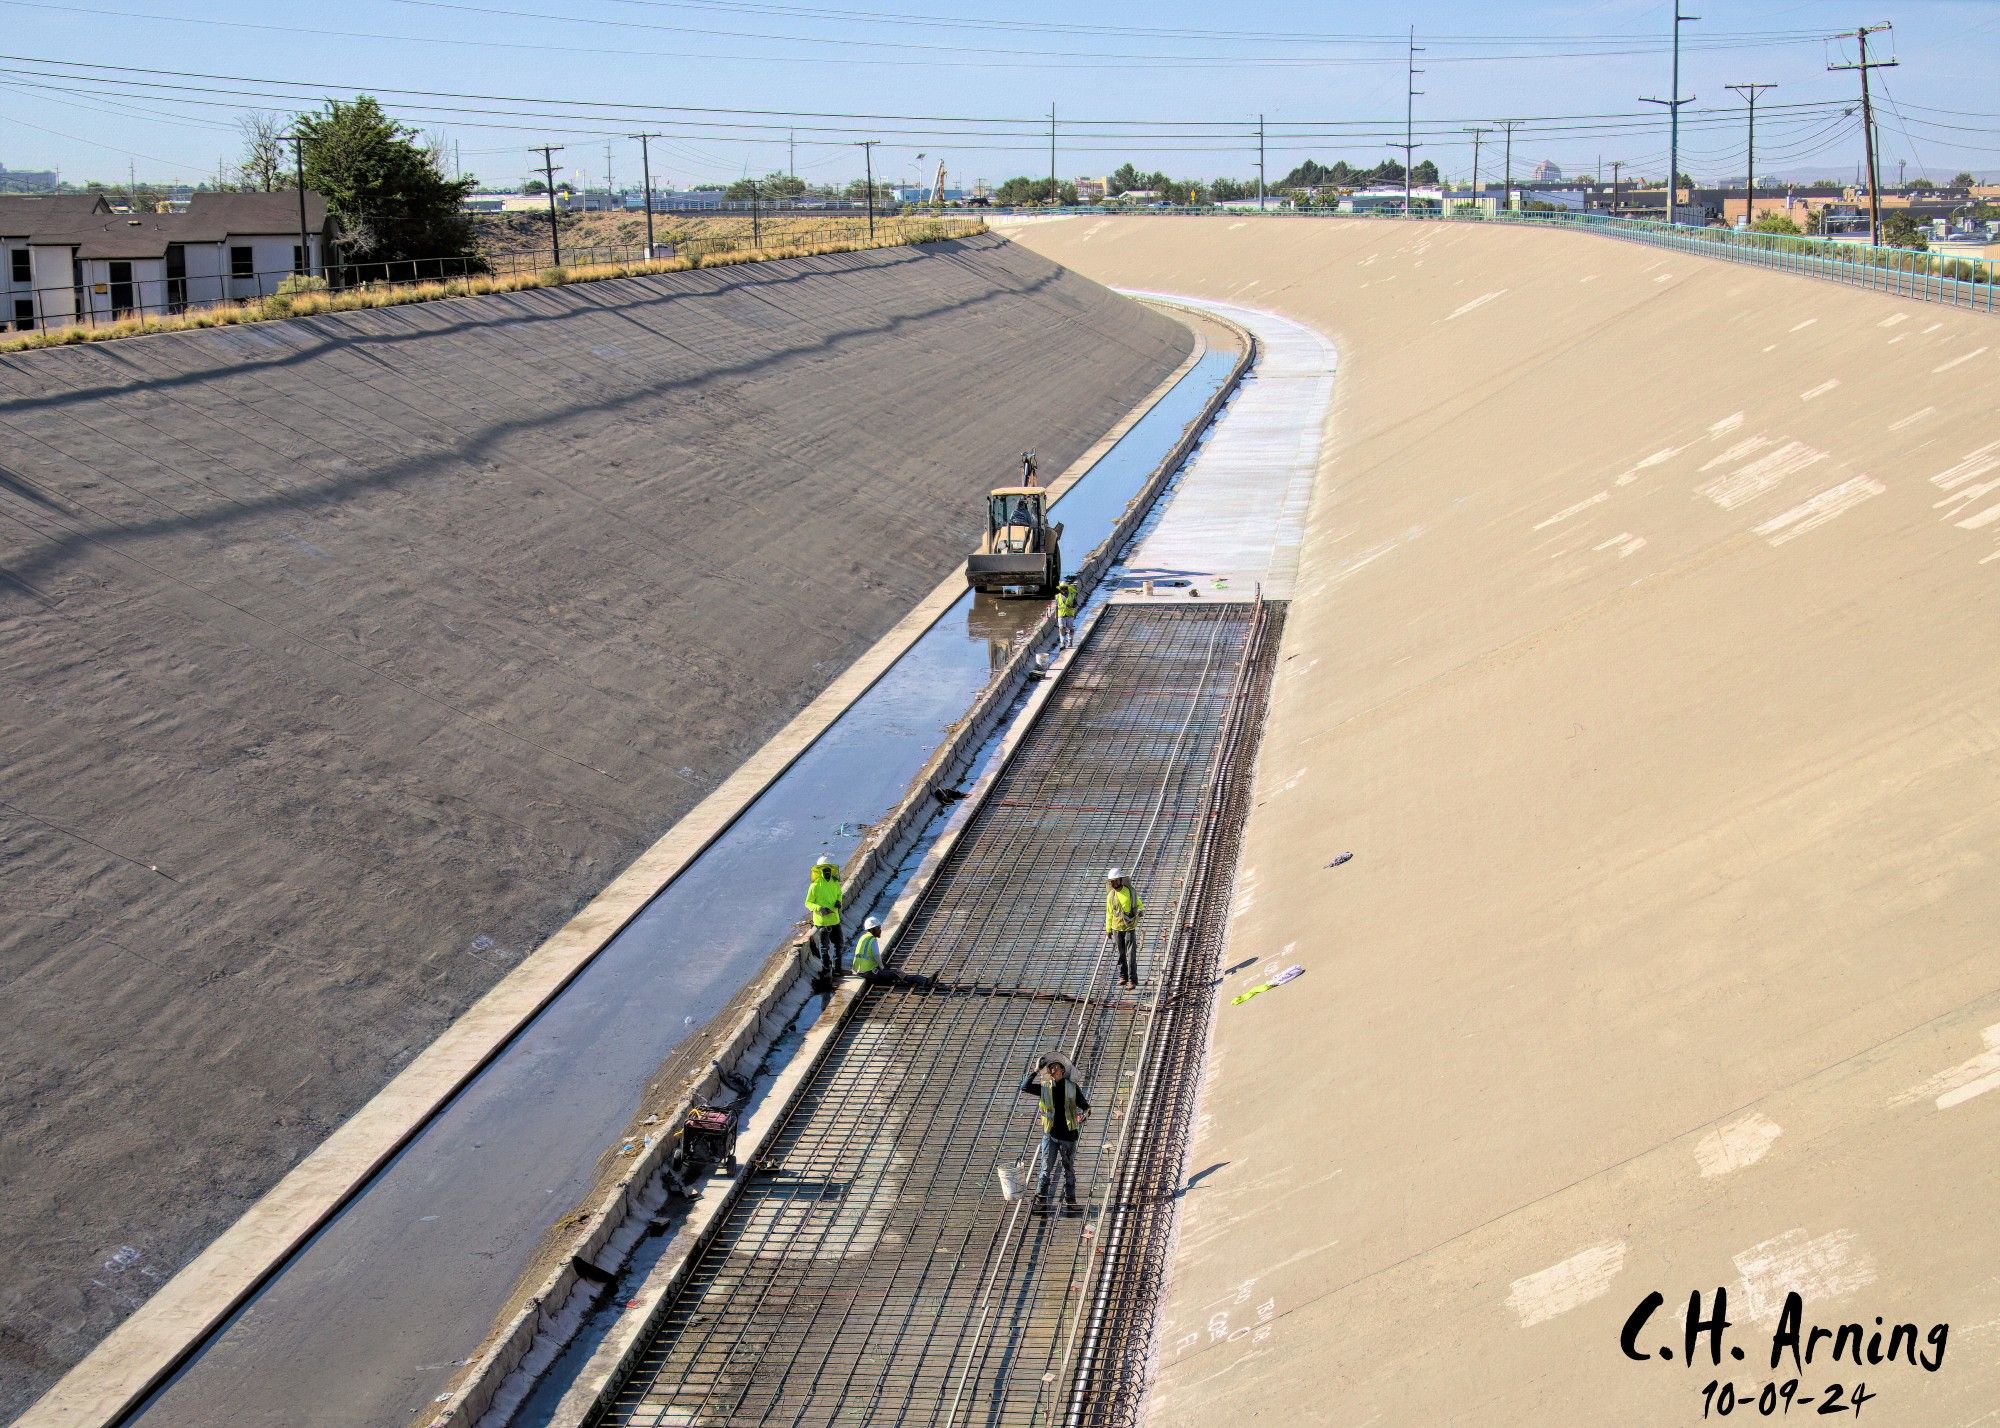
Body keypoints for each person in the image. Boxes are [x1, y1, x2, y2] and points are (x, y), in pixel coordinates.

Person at [1020, 1055, 1090, 1215]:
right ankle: (1041, 1201)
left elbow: (1086, 1106)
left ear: (1063, 1071)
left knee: (1069, 1169)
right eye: (1051, 1068)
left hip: (1069, 1136)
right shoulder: (1045, 1087)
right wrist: (1036, 1070)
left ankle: (1071, 1202)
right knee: (1045, 1169)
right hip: (1050, 1135)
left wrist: (1083, 1115)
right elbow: (1024, 1087)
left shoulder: (1072, 1088)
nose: (1053, 1070)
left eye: (1056, 1068)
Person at [1104, 867, 1143, 989]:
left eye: (1115, 881)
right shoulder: (1111, 896)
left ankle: (1132, 979)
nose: (1114, 883)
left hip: (1129, 927)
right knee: (1121, 954)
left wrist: (1140, 911)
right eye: (1112, 881)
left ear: (1120, 880)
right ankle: (1123, 976)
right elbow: (1109, 913)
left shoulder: (1130, 892)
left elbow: (1139, 904)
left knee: (1131, 954)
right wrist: (1108, 929)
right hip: (1116, 928)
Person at [806, 856, 843, 980]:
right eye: (824, 870)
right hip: (822, 922)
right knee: (824, 947)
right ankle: (826, 968)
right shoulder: (815, 886)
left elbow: (839, 895)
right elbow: (808, 903)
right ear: (820, 871)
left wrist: (839, 902)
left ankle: (837, 969)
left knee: (839, 944)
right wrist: (819, 908)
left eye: (828, 870)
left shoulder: (835, 883)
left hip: (835, 919)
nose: (826, 872)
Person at [1054, 576, 1079, 649]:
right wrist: (1056, 615)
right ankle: (1062, 642)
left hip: (1069, 614)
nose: (1064, 590)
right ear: (1060, 589)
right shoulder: (1057, 596)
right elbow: (1056, 606)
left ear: (1067, 588)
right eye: (1062, 588)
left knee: (1070, 628)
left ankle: (1070, 641)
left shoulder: (1072, 595)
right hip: (1061, 614)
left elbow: (1075, 604)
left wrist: (1072, 606)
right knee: (1061, 628)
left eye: (1065, 588)